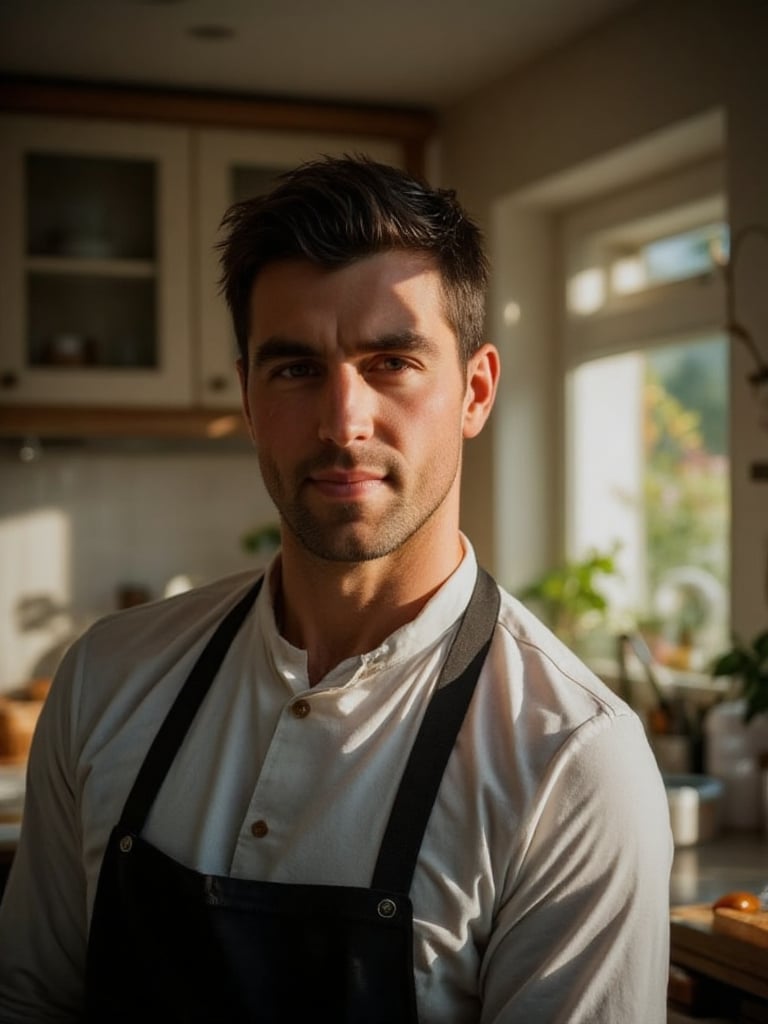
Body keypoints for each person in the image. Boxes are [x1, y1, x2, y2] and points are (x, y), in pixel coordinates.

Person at [0, 155, 673, 1023]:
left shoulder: (573, 764)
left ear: (474, 390)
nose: (341, 421)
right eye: (294, 369)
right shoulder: (107, 679)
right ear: (246, 395)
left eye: (391, 362)